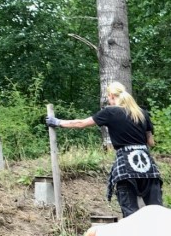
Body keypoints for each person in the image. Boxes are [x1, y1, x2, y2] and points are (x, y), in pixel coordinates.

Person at [49, 82, 162, 217]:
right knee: (157, 212)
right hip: (148, 167)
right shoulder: (142, 113)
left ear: (112, 96)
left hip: (125, 167)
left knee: (130, 214)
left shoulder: (110, 112)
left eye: (108, 97)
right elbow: (150, 141)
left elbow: (81, 123)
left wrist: (57, 122)